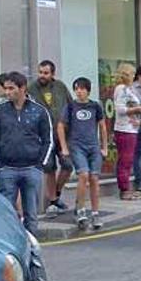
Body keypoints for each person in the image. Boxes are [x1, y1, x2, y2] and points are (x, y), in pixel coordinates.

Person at [0, 71, 53, 235]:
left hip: (32, 168)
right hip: (7, 169)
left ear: (22, 88)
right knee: (6, 213)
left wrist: (40, 165)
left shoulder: (39, 111)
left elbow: (48, 139)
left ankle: (31, 246)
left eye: (11, 88)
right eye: (6, 88)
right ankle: (9, 243)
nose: (7, 92)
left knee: (31, 213)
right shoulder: (0, 111)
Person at [58, 77, 108, 230]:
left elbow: (102, 126)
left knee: (94, 177)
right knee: (83, 174)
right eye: (76, 89)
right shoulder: (70, 106)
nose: (79, 91)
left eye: (82, 88)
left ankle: (95, 212)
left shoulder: (95, 106)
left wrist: (104, 147)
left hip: (93, 146)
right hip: (77, 145)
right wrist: (64, 147)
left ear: (88, 90)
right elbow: (60, 126)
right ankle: (80, 209)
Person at [28, 60, 74, 215]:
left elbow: (70, 106)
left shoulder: (60, 87)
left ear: (52, 74)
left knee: (68, 165)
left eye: (46, 73)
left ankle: (57, 194)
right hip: (42, 135)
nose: (42, 75)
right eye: (40, 72)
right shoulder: (31, 89)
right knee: (49, 168)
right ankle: (53, 201)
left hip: (62, 133)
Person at [113, 63, 141, 200]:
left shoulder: (128, 89)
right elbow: (120, 109)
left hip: (131, 128)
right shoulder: (121, 89)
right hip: (124, 128)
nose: (133, 76)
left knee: (129, 159)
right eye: (132, 74)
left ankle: (127, 187)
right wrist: (136, 110)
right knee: (125, 160)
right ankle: (124, 189)